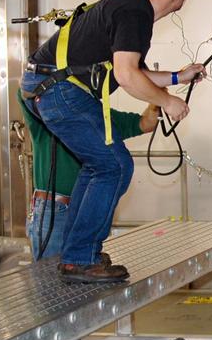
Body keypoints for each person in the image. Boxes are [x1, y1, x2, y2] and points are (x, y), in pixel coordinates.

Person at [20, 0, 203, 283]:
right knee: (116, 164)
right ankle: (79, 257)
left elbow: (134, 71)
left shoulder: (131, 8)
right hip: (58, 88)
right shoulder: (135, 13)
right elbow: (126, 76)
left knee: (101, 165)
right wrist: (167, 101)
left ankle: (79, 252)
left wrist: (179, 76)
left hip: (52, 85)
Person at [18, 98, 159, 260]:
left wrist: (158, 97)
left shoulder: (97, 118)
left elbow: (146, 123)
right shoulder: (46, 111)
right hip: (54, 212)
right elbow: (24, 91)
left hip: (85, 211)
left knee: (81, 277)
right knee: (51, 277)